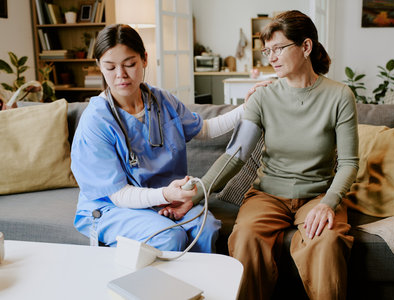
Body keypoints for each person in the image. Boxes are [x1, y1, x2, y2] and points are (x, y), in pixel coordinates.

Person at [191, 10, 359, 300]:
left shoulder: (340, 96)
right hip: (267, 196)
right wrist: (196, 193)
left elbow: (348, 163)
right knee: (245, 237)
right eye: (267, 50)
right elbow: (237, 154)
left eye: (278, 48)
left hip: (318, 195)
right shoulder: (262, 96)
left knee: (327, 242)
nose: (271, 57)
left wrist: (328, 203)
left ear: (306, 47)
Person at [70, 24, 264, 251]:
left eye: (130, 64)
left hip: (165, 199)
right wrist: (165, 193)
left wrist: (246, 107)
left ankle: (201, 286)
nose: (120, 75)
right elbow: (118, 195)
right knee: (169, 237)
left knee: (207, 228)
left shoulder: (162, 100)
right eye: (110, 67)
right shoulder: (96, 120)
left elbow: (204, 130)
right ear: (99, 67)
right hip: (114, 206)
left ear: (144, 59)